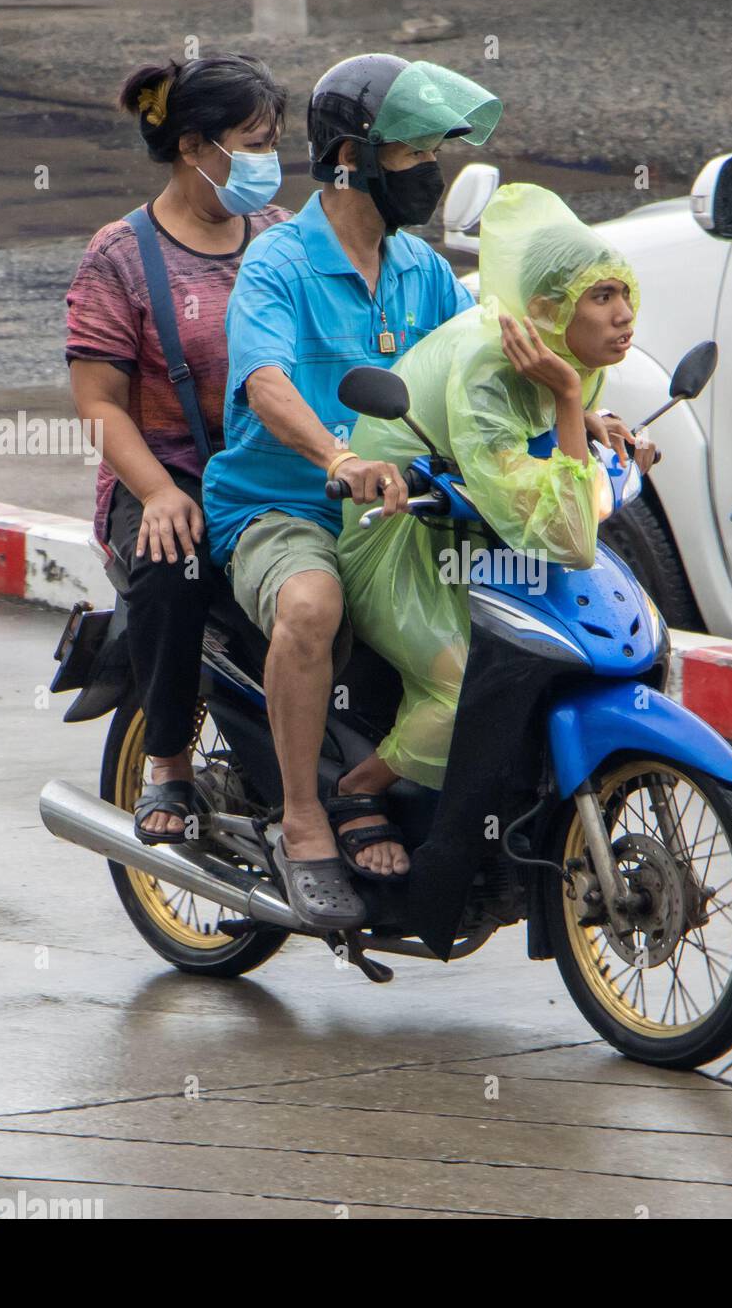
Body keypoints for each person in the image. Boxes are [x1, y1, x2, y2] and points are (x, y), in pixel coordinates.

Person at [203, 54, 501, 929]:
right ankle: (305, 821)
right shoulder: (278, 264)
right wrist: (336, 457)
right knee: (312, 600)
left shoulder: (425, 270)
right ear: (349, 158)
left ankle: (395, 790)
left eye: (431, 154)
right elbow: (264, 381)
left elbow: (474, 377)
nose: (428, 174)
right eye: (410, 154)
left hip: (397, 510)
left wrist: (579, 419)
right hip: (282, 504)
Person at [337, 182, 651, 792]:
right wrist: (566, 399)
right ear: (544, 308)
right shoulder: (495, 366)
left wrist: (597, 427)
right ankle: (352, 796)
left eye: (626, 294)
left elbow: (548, 454)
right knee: (461, 695)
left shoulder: (568, 353)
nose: (624, 315)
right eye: (603, 296)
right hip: (401, 537)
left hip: (475, 527)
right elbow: (564, 534)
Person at [67, 54, 288, 844]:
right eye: (252, 142)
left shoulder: (278, 234)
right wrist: (158, 491)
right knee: (175, 557)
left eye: (273, 142)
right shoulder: (120, 256)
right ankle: (167, 764)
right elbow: (97, 402)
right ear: (195, 148)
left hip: (266, 472)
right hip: (169, 475)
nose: (269, 160)